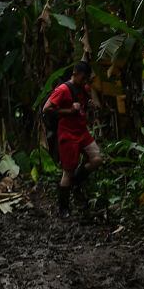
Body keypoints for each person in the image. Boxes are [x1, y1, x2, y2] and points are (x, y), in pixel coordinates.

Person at [42, 61, 102, 219]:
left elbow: (88, 104)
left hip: (82, 131)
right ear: (75, 74)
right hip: (67, 134)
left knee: (97, 158)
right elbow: (46, 108)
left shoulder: (84, 88)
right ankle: (63, 208)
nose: (85, 81)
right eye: (83, 77)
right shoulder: (62, 89)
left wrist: (89, 105)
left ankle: (76, 182)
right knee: (67, 171)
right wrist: (69, 110)